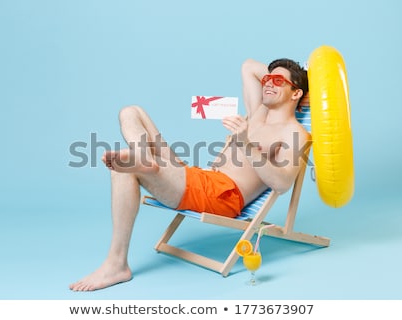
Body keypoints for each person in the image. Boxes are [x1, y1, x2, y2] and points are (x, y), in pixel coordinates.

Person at [69, 58, 310, 291]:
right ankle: (144, 157)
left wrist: (246, 144)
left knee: (123, 168)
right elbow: (249, 66)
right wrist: (297, 78)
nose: (267, 83)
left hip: (222, 195)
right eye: (267, 78)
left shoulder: (294, 133)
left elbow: (282, 183)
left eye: (277, 81)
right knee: (131, 112)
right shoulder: (257, 112)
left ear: (296, 93)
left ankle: (116, 264)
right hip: (200, 178)